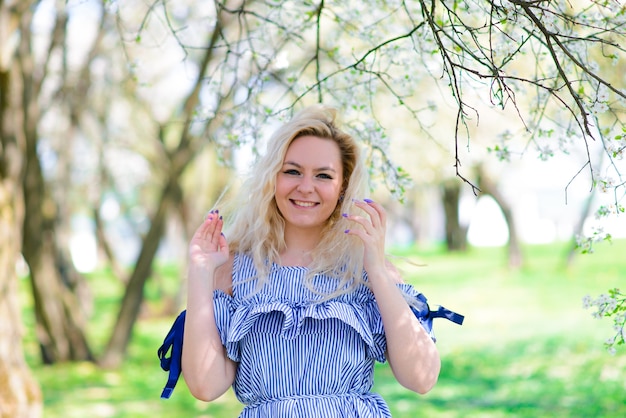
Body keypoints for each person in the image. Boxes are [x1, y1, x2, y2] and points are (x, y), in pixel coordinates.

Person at [158, 104, 463, 417]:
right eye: (292, 171)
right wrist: (200, 273)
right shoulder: (236, 269)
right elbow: (205, 387)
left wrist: (377, 270)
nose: (306, 187)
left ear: (342, 186)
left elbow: (422, 378)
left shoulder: (367, 270)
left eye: (323, 175)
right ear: (272, 177)